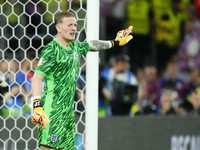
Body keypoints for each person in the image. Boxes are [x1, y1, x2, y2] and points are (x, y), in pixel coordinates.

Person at [31, 11, 133, 150]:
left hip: (68, 114)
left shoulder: (75, 47)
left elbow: (92, 45)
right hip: (52, 113)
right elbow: (36, 78)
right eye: (69, 25)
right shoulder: (51, 50)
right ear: (58, 28)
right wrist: (37, 105)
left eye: (75, 25)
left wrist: (115, 42)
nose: (74, 28)